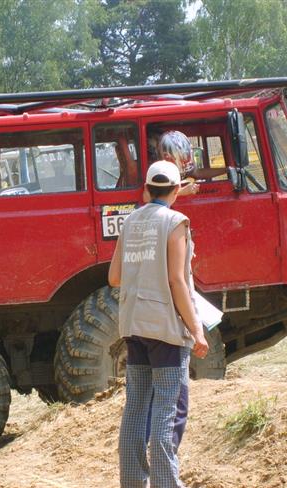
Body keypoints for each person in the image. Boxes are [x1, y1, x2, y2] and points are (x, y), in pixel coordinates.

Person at [109, 160, 209, 488]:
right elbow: (177, 281)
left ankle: (134, 482)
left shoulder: (132, 220)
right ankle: (167, 483)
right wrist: (196, 330)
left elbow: (114, 277)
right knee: (169, 409)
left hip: (133, 324)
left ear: (146, 190)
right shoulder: (176, 222)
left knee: (137, 407)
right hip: (165, 329)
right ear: (178, 189)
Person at [157, 130, 227, 196]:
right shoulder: (157, 173)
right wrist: (181, 192)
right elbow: (150, 197)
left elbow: (197, 173)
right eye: (183, 156)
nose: (185, 160)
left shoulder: (184, 169)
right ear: (167, 156)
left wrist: (227, 170)